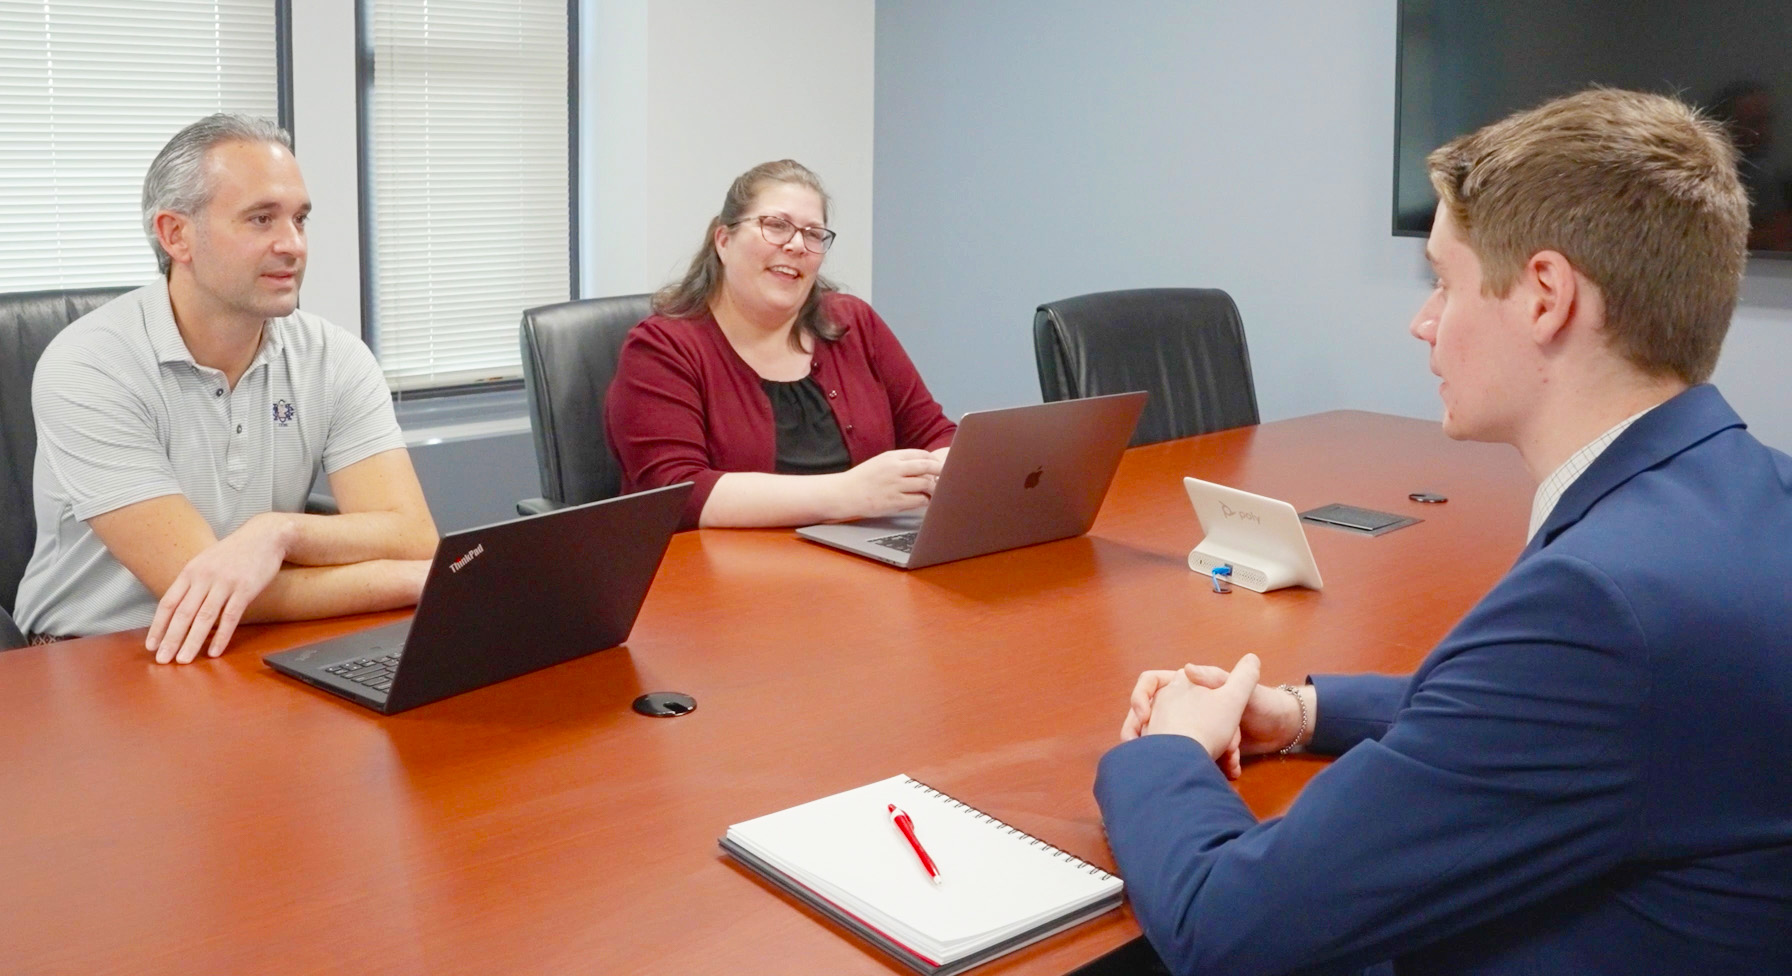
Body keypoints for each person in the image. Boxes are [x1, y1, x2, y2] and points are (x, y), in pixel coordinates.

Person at [1095, 88, 1792, 973]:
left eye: (1444, 280)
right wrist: (1305, 712)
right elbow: (1552, 712)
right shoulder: (1752, 495)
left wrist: (1165, 750)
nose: (1422, 322)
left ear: (1545, 296)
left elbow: (1226, 925)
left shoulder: (1599, 606)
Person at [14, 114, 438, 664]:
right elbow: (192, 582)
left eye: (300, 219)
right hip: (94, 657)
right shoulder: (90, 364)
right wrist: (415, 582)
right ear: (176, 235)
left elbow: (413, 536)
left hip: (251, 644)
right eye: (261, 219)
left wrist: (280, 533)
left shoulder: (335, 358)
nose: (293, 245)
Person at [606, 160, 954, 530]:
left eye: (813, 234)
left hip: (862, 560)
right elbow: (678, 492)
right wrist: (848, 493)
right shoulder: (661, 347)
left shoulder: (854, 323)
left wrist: (951, 467)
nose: (796, 245)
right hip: (722, 575)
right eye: (775, 225)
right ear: (723, 241)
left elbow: (933, 433)